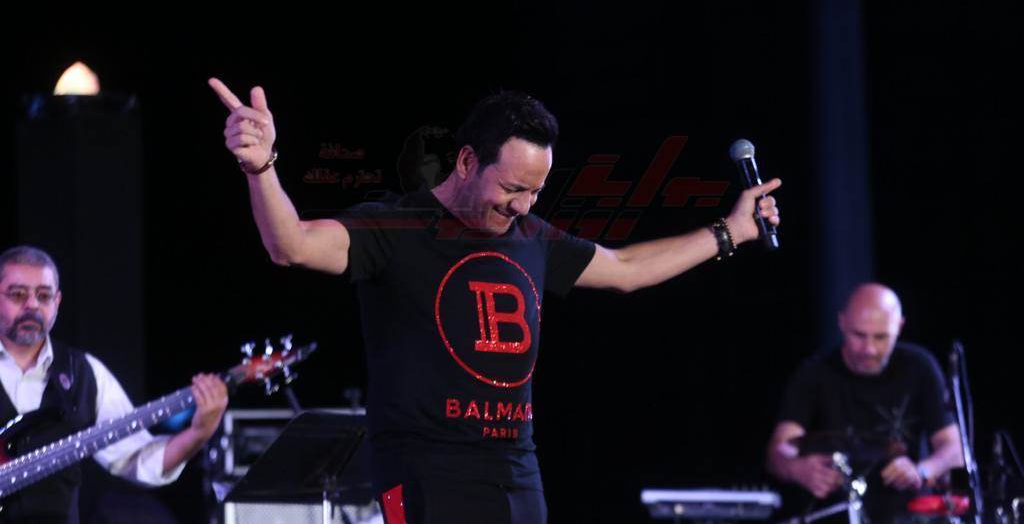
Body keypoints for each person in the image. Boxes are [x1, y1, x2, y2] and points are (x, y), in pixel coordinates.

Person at [209, 79, 781, 524]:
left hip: (516, 474)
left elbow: (627, 269)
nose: (523, 205)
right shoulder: (395, 228)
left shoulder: (532, 237)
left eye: (536, 191)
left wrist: (731, 232)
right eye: (511, 189)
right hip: (427, 474)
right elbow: (291, 246)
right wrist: (261, 168)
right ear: (465, 162)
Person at [0, 245, 229, 524]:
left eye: (44, 295)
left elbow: (139, 459)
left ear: (57, 302)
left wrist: (198, 433)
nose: (32, 305)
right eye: (17, 294)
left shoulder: (84, 373)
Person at [765, 283, 964, 524]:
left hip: (909, 517)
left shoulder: (919, 366)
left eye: (881, 337)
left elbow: (954, 449)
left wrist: (921, 470)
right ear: (841, 323)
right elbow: (779, 450)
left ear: (899, 326)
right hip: (836, 516)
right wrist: (797, 469)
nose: (869, 349)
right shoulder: (814, 375)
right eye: (859, 335)